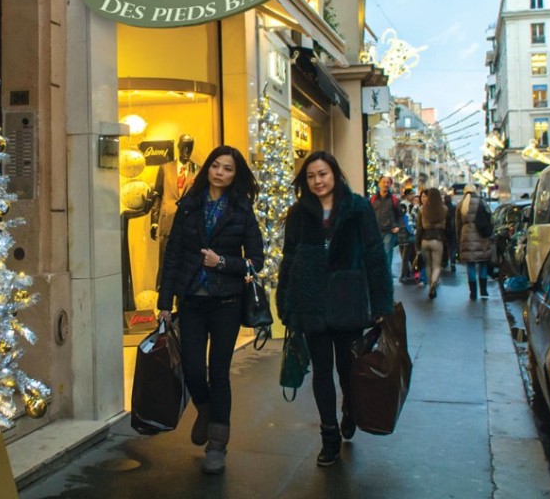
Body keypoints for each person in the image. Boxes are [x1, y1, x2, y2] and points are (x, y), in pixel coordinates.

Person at [276, 151, 394, 467]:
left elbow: (374, 256)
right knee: (321, 371)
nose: (318, 181)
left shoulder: (358, 209)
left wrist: (381, 303)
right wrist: (285, 299)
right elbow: (288, 259)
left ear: (335, 174)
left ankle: (350, 410)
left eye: (323, 174)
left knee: (347, 368)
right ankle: (329, 437)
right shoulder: (298, 213)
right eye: (312, 176)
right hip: (310, 301)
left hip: (347, 301)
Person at [156, 145, 264, 475]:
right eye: (216, 166)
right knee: (191, 369)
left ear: (236, 174)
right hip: (191, 301)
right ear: (208, 170)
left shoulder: (242, 210)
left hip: (226, 304)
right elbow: (173, 254)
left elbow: (255, 262)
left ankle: (217, 445)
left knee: (218, 373)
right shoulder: (189, 205)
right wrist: (164, 303)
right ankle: (205, 410)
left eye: (227, 168)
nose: (220, 172)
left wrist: (223, 263)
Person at [151, 134, 199, 287]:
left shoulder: (198, 170)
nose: (186, 150)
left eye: (190, 147)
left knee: (186, 265)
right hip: (168, 222)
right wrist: (154, 221)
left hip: (190, 224)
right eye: (184, 146)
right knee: (166, 263)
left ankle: (182, 300)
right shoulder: (165, 168)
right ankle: (164, 299)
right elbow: (157, 195)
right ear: (178, 147)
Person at [455, 183, 492, 300]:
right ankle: (484, 290)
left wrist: (459, 240)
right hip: (482, 237)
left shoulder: (461, 205)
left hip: (466, 238)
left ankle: (473, 293)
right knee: (483, 264)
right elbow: (490, 219)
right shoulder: (482, 202)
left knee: (470, 266)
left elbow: (457, 225)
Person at [417, 188, 448, 299]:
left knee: (428, 265)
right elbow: (448, 228)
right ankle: (434, 283)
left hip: (425, 239)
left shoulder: (422, 209)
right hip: (438, 239)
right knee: (436, 266)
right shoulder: (444, 209)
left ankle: (430, 285)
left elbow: (419, 228)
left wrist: (417, 244)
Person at [369, 176, 401, 275]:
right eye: (383, 182)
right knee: (375, 254)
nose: (385, 184)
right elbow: (368, 214)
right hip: (375, 232)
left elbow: (400, 215)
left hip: (389, 231)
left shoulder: (394, 199)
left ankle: (386, 276)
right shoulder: (373, 199)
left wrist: (398, 226)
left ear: (390, 185)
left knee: (387, 254)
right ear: (379, 184)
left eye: (388, 182)